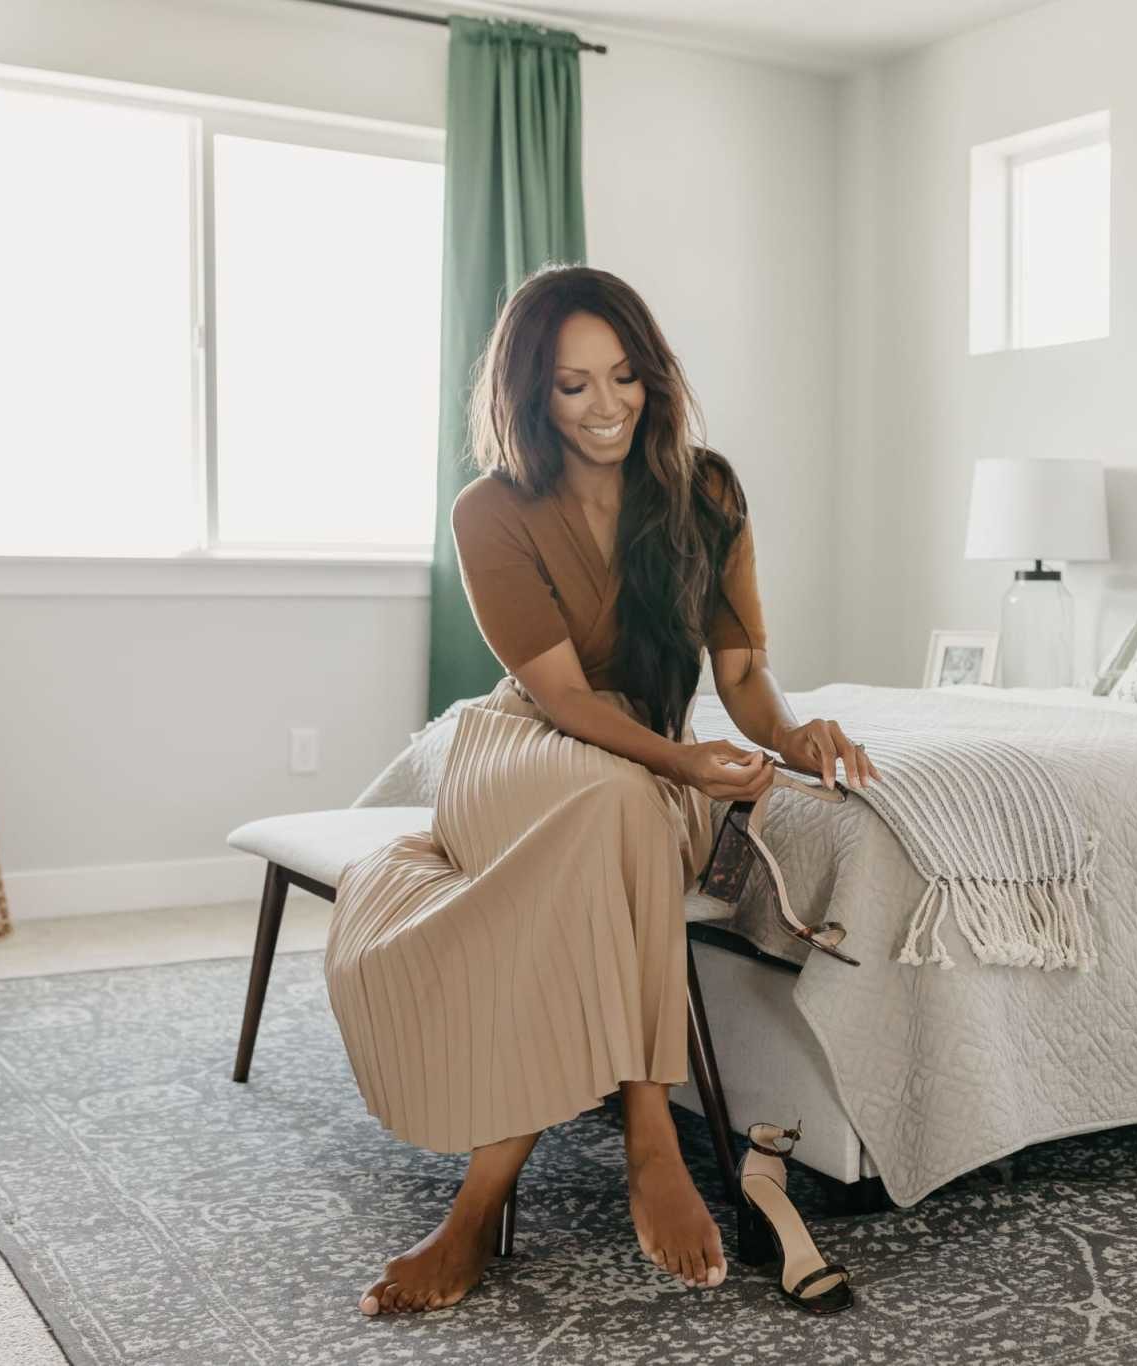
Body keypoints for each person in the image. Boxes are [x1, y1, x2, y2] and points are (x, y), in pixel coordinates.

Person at [324, 265, 879, 1315]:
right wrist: (682, 762)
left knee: (619, 810)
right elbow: (566, 701)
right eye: (572, 386)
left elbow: (743, 676)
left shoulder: (706, 492)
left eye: (623, 376)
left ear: (652, 377)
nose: (604, 406)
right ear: (530, 394)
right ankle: (648, 1137)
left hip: (635, 773)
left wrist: (793, 735)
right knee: (618, 798)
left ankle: (479, 1205)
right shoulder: (488, 509)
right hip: (521, 747)